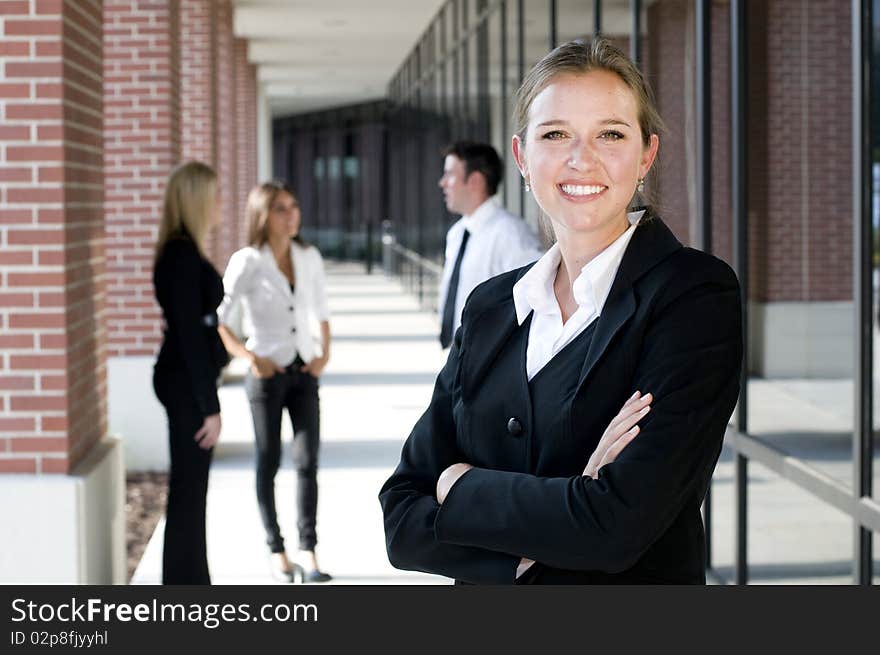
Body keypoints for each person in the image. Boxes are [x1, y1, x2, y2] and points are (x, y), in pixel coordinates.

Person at [379, 38, 743, 584]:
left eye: (610, 134)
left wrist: (458, 484)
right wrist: (571, 501)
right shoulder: (491, 309)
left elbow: (614, 527)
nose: (582, 158)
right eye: (555, 134)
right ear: (523, 157)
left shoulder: (694, 297)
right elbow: (401, 517)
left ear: (646, 155)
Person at [217, 181, 332, 583]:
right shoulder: (247, 261)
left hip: (304, 372)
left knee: (307, 462)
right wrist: (250, 358)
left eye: (294, 206)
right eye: (282, 208)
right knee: (267, 463)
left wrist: (323, 354)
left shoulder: (309, 256)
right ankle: (276, 549)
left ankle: (309, 550)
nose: (292, 214)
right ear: (264, 216)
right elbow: (220, 320)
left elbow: (321, 309)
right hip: (266, 377)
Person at [152, 161, 228, 585]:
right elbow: (191, 341)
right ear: (196, 200)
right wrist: (209, 407)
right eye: (214, 195)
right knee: (188, 492)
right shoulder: (181, 256)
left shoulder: (183, 251)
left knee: (190, 491)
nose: (220, 203)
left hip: (184, 381)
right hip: (185, 385)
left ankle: (190, 581)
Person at [437, 141, 543, 348]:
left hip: (489, 359)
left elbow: (536, 303)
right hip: (458, 355)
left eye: (449, 174)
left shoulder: (510, 234)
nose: (442, 183)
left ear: (475, 180)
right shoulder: (457, 233)